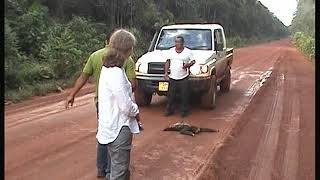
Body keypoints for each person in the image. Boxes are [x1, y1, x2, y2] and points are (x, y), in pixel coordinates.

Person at [65, 33, 136, 178]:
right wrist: (134, 109)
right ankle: (110, 171)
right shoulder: (123, 64)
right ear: (127, 49)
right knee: (118, 160)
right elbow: (131, 90)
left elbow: (84, 76)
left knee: (104, 136)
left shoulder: (98, 58)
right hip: (118, 115)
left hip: (102, 103)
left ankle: (101, 168)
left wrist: (72, 94)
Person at [98, 29, 140, 180]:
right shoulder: (116, 72)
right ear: (127, 49)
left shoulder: (107, 68)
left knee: (118, 170)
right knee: (119, 172)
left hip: (109, 125)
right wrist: (136, 110)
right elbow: (126, 107)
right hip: (119, 128)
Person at [164, 36, 196, 118]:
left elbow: (193, 61)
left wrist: (187, 65)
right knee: (171, 95)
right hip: (172, 77)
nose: (177, 44)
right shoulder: (171, 51)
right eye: (176, 42)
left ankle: (184, 111)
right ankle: (169, 110)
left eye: (178, 42)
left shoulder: (188, 52)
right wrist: (165, 73)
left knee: (184, 95)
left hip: (183, 77)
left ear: (182, 43)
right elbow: (167, 61)